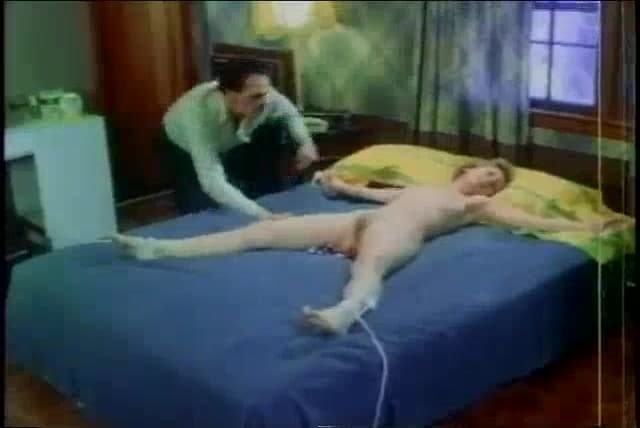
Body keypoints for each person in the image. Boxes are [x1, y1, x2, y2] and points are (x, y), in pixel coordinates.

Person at [110, 159, 628, 335]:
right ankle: (159, 249)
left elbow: (532, 219)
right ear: (466, 168)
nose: (487, 182)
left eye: (495, 182)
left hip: (401, 232)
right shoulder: (422, 186)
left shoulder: (476, 207)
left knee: (373, 263)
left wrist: (592, 226)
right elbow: (372, 194)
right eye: (485, 172)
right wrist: (336, 184)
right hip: (360, 218)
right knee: (259, 233)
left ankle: (346, 312)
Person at [160, 60, 319, 218]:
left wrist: (305, 142)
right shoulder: (197, 114)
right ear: (228, 94)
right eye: (256, 96)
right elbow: (212, 181)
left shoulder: (264, 96)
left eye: (266, 93)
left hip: (236, 139)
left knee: (253, 198)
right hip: (183, 147)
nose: (265, 101)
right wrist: (262, 215)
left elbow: (290, 113)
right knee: (202, 212)